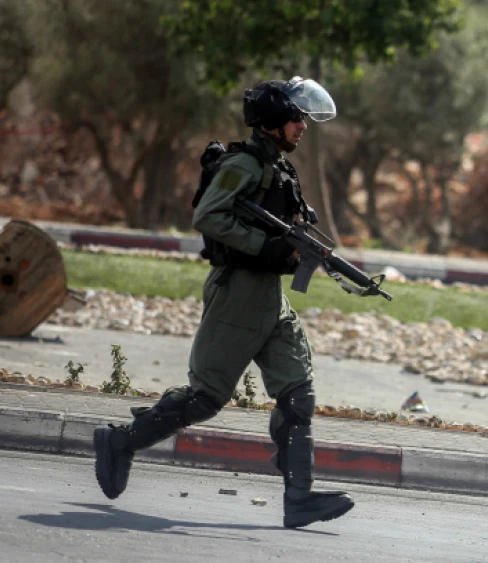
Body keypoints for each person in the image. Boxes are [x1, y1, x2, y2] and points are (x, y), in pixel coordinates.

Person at [93, 77, 355, 529]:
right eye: (296, 118)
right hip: (239, 294)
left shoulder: (279, 167)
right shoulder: (244, 165)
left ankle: (300, 500)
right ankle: (120, 443)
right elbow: (208, 216)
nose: (303, 126)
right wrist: (266, 247)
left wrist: (301, 252)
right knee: (206, 398)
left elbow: (284, 230)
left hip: (268, 298)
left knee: (297, 394)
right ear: (273, 121)